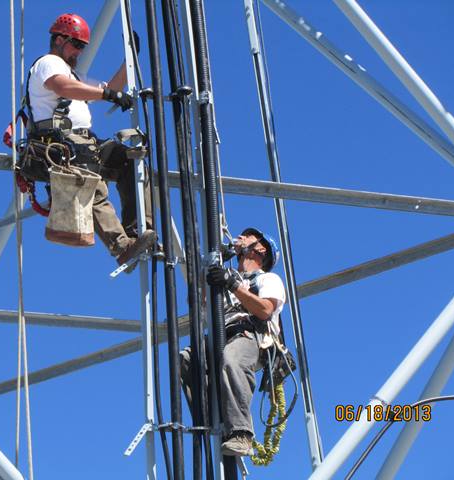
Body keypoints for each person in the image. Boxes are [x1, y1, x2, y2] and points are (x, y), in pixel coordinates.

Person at [26, 13, 155, 270]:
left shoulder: (75, 76)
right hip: (61, 143)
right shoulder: (49, 63)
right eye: (77, 45)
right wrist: (108, 94)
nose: (79, 52)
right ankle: (121, 246)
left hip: (85, 143)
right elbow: (61, 87)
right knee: (91, 187)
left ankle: (140, 231)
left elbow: (110, 88)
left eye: (82, 47)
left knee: (131, 163)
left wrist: (130, 60)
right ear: (60, 39)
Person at [180, 227, 286, 456]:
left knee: (233, 358)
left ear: (261, 248)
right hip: (221, 333)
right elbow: (198, 297)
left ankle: (241, 433)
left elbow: (265, 310)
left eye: (249, 236)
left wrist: (233, 285)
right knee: (187, 359)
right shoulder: (226, 277)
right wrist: (215, 259)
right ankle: (210, 418)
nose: (241, 237)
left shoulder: (267, 279)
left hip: (249, 334)